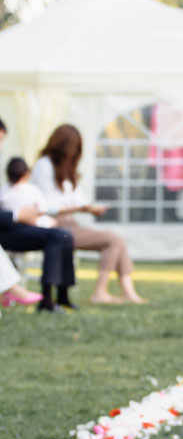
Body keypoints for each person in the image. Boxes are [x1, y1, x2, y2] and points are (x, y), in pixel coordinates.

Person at [30, 124, 146, 305]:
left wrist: (91, 208)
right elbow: (45, 206)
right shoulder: (44, 165)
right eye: (72, 148)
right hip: (53, 225)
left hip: (70, 223)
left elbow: (78, 200)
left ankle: (128, 292)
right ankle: (101, 293)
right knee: (114, 239)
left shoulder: (67, 170)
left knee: (118, 240)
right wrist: (79, 208)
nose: (73, 154)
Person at [0, 118, 77, 312]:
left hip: (19, 228)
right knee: (61, 236)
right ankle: (47, 299)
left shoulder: (5, 189)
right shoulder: (28, 188)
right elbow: (42, 209)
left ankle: (60, 295)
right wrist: (17, 215)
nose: (1, 146)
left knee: (64, 236)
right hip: (9, 230)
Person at [1, 157, 58, 227]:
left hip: (7, 226)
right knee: (53, 222)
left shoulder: (3, 189)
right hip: (29, 225)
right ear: (26, 173)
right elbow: (43, 210)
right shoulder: (32, 189)